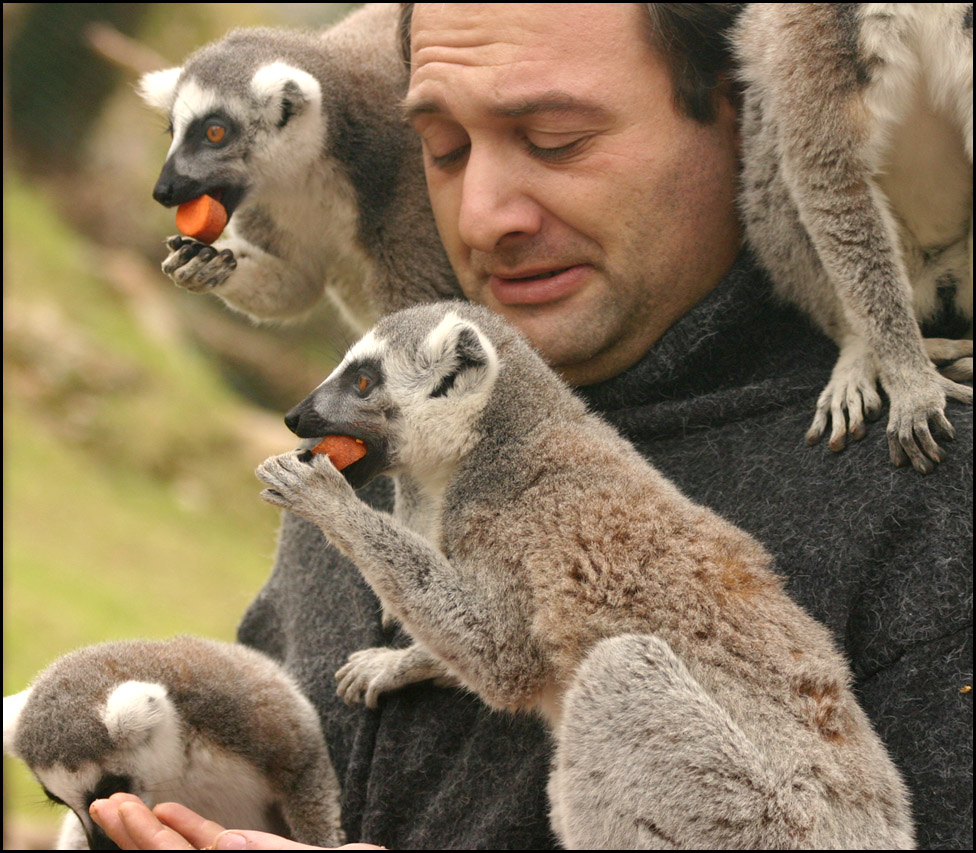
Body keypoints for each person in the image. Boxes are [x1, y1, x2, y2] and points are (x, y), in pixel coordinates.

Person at [90, 4, 972, 849]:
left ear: (740, 108)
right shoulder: (385, 432)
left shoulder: (921, 493)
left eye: (556, 142)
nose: (483, 217)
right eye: (440, 148)